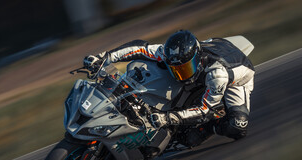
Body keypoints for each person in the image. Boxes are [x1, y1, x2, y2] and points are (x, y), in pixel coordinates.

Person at [83, 30, 254, 147]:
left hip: (237, 80)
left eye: (184, 69)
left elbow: (204, 109)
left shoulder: (217, 75)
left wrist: (167, 118)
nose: (180, 74)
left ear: (197, 60)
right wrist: (104, 57)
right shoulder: (170, 53)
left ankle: (212, 126)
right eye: (175, 69)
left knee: (237, 127)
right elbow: (140, 48)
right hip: (211, 50)